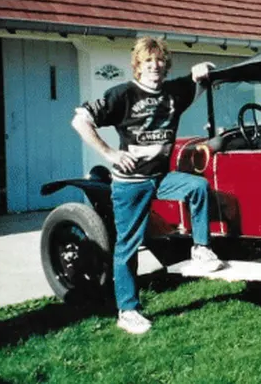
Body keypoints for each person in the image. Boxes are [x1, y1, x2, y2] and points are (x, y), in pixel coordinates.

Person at [71, 36, 224, 335]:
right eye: (148, 61)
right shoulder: (122, 95)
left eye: (159, 61)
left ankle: (201, 249)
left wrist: (200, 70)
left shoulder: (174, 93)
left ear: (165, 65)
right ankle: (127, 310)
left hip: (161, 179)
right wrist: (110, 153)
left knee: (197, 188)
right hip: (131, 184)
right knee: (127, 246)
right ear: (137, 66)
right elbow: (80, 121)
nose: (155, 66)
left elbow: (197, 78)